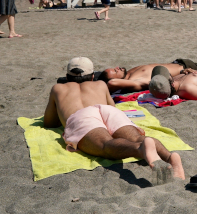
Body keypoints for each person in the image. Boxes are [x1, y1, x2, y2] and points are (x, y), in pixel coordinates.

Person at [44, 57, 184, 179]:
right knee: (136, 137)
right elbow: (113, 108)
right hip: (107, 110)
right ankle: (170, 157)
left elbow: (49, 122)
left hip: (81, 115)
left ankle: (139, 149)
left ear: (67, 77)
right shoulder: (100, 84)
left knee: (106, 144)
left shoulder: (58, 88)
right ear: (93, 76)